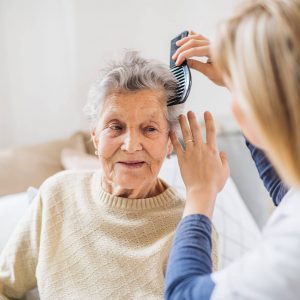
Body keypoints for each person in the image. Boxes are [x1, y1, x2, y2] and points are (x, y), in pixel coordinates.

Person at [0, 50, 219, 300]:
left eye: (149, 129)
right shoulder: (56, 195)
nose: (131, 145)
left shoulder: (190, 228)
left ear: (169, 142)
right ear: (95, 136)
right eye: (116, 127)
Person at [165, 0, 300, 299]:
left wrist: (201, 192)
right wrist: (236, 82)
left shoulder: (291, 249)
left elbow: (183, 295)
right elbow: (286, 191)